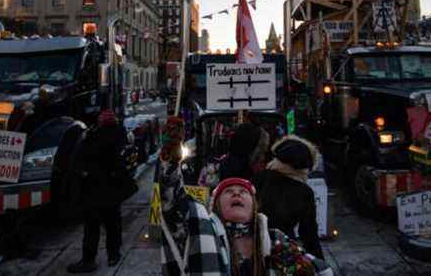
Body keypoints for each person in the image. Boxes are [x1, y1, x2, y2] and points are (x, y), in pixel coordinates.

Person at [159, 117, 332, 276]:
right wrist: (171, 164)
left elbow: (319, 270)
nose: (236, 192)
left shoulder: (276, 243)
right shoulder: (207, 236)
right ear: (216, 206)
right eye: (227, 191)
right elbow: (175, 207)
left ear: (255, 206)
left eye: (243, 191)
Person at [66, 108, 134, 273]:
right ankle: (113, 255)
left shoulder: (93, 136)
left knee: (92, 226)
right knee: (112, 224)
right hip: (111, 188)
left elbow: (81, 158)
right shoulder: (119, 135)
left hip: (95, 187)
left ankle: (89, 260)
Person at [252, 136, 323, 259]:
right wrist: (320, 264)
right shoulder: (304, 192)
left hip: (252, 246)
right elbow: (309, 234)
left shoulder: (259, 177)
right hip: (282, 251)